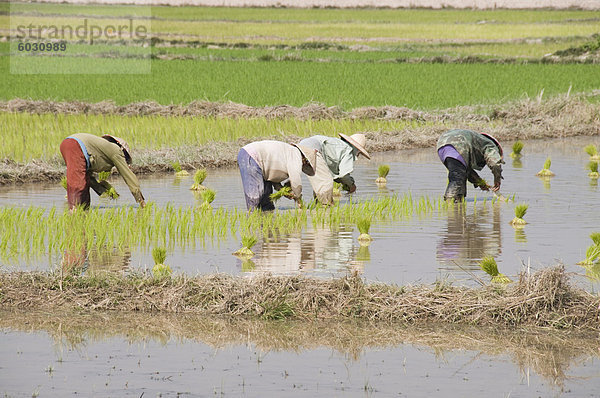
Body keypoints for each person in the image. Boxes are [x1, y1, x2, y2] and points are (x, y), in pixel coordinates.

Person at [60, 133, 146, 210]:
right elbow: (128, 176)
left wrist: (104, 191)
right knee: (78, 184)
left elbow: (89, 178)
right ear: (123, 150)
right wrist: (141, 200)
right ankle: (73, 213)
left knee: (84, 189)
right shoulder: (116, 150)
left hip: (66, 144)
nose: (125, 160)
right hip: (75, 145)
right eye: (126, 158)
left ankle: (83, 214)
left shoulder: (98, 150)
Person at [237, 140, 316, 211]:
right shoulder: (296, 155)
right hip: (251, 156)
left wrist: (283, 191)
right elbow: (296, 181)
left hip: (260, 164)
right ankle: (251, 217)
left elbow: (273, 179)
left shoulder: (287, 155)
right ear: (305, 159)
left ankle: (266, 220)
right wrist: (298, 198)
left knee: (266, 200)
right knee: (256, 193)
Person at [298, 133, 371, 205]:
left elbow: (331, 172)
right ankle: (326, 207)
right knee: (326, 182)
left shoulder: (336, 146)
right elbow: (343, 175)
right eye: (359, 153)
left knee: (320, 180)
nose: (358, 155)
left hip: (300, 146)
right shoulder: (348, 150)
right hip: (312, 149)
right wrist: (351, 185)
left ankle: (317, 205)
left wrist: (342, 181)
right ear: (357, 149)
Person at [436, 129, 504, 201]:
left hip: (442, 145)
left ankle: (457, 204)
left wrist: (479, 182)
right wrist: (497, 179)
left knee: (460, 174)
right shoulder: (490, 144)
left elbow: (467, 170)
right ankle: (450, 202)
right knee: (456, 178)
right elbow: (495, 163)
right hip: (458, 145)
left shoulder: (475, 140)